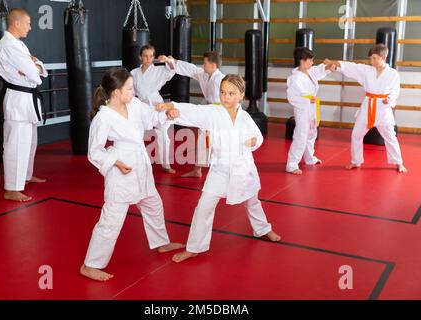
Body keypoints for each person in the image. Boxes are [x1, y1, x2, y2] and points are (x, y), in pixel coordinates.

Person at [156, 74, 281, 263]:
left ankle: (263, 229)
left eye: (231, 93)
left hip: (242, 168)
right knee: (204, 207)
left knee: (252, 201)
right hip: (220, 169)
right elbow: (195, 111)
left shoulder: (245, 117)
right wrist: (172, 106)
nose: (225, 97)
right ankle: (194, 247)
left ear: (241, 95)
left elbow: (258, 137)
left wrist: (254, 141)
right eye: (223, 92)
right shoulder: (214, 113)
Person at [80, 67, 184, 281]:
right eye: (129, 88)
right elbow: (94, 151)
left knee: (153, 203)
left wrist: (167, 113)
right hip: (121, 170)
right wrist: (115, 162)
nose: (133, 91)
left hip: (140, 164)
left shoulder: (134, 104)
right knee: (112, 219)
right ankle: (90, 265)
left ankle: (161, 243)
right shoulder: (104, 117)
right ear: (116, 92)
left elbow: (153, 118)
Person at [327, 44, 408, 173]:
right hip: (367, 107)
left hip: (383, 108)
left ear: (383, 57)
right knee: (356, 135)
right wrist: (334, 63)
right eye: (371, 58)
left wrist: (390, 99)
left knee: (390, 137)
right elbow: (351, 67)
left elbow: (395, 91)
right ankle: (356, 161)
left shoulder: (393, 74)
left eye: (374, 58)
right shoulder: (367, 70)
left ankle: (398, 162)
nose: (372, 61)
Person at [0, 8, 48, 202]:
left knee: (30, 142)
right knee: (16, 145)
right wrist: (33, 67)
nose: (30, 27)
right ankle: (11, 188)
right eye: (28, 23)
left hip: (27, 100)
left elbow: (40, 70)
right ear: (16, 23)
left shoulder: (18, 44)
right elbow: (34, 73)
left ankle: (25, 176)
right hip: (18, 100)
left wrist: (34, 65)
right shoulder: (9, 45)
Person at [159, 51, 225, 178]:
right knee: (203, 138)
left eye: (205, 63)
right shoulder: (204, 75)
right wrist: (171, 61)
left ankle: (225, 172)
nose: (203, 65)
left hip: (220, 113)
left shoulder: (221, 79)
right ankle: (197, 169)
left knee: (219, 143)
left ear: (213, 65)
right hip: (210, 111)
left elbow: (232, 98)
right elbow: (189, 69)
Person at [286, 47, 336, 175]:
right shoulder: (295, 78)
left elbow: (319, 70)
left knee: (312, 132)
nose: (312, 63)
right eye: (310, 60)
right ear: (302, 61)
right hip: (302, 109)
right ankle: (292, 164)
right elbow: (291, 97)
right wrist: (308, 101)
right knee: (301, 135)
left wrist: (328, 66)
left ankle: (309, 158)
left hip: (311, 107)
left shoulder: (309, 71)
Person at [131, 44, 176, 173]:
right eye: (145, 56)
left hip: (158, 105)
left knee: (163, 134)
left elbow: (172, 70)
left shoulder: (158, 71)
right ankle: (138, 162)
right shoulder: (134, 73)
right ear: (140, 57)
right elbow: (132, 92)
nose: (148, 59)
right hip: (142, 106)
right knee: (136, 134)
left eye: (151, 56)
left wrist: (167, 60)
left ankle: (165, 165)